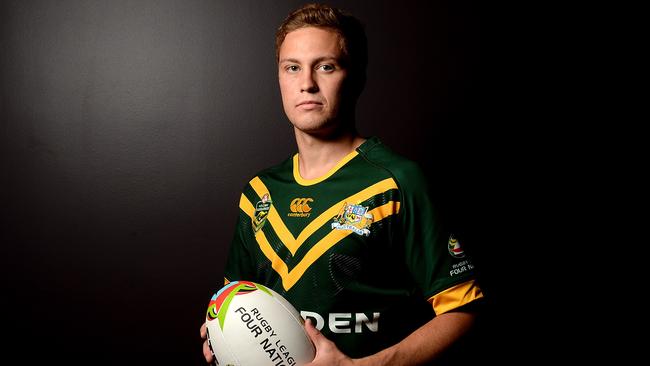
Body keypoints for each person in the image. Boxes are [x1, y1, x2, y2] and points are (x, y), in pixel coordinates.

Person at [200, 3, 484, 365]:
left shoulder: (396, 181)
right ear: (279, 78)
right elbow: (233, 301)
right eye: (292, 68)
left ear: (355, 78)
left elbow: (464, 310)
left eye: (325, 66)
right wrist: (222, 335)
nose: (306, 83)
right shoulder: (260, 193)